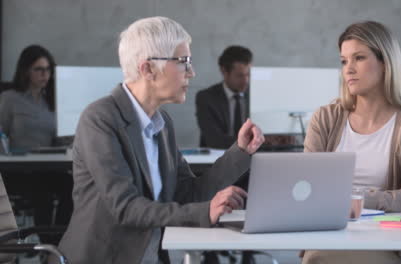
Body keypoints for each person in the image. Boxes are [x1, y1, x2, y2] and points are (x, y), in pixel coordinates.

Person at [57, 17, 265, 263]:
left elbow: (189, 192)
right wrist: (204, 212)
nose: (192, 72)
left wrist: (239, 151)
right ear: (147, 69)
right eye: (183, 62)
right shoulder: (100, 119)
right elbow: (126, 207)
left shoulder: (162, 123)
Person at [303, 21, 401, 264]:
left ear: (385, 63)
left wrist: (357, 200)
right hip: (328, 235)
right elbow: (307, 185)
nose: (349, 69)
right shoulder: (325, 118)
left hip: (385, 240)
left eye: (359, 58)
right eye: (344, 61)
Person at [0, 44, 73, 233]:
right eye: (39, 69)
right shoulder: (9, 99)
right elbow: (2, 134)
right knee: (44, 194)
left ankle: (56, 245)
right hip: (19, 171)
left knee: (74, 188)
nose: (45, 75)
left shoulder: (51, 102)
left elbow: (57, 140)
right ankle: (46, 246)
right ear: (25, 71)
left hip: (47, 167)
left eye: (48, 70)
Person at [196, 45, 252, 149]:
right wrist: (253, 141)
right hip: (218, 159)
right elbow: (214, 140)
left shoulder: (255, 96)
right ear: (224, 72)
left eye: (248, 74)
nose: (246, 81)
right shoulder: (206, 98)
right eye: (240, 76)